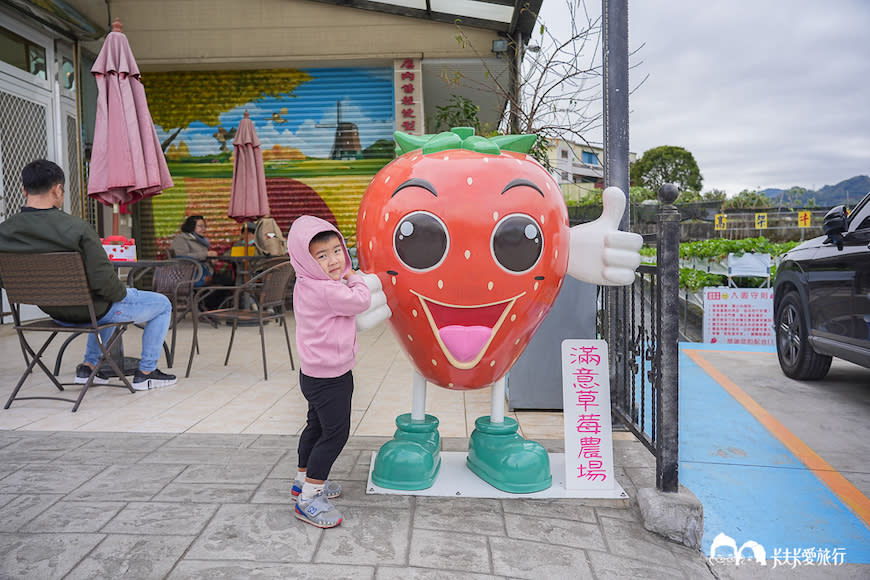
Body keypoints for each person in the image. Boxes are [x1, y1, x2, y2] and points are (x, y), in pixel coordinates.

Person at [0, 159, 177, 390]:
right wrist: (123, 293)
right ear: (57, 189)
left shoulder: (4, 232)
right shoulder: (77, 228)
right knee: (160, 303)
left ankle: (89, 366)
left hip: (53, 311)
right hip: (92, 310)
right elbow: (106, 283)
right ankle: (146, 372)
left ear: (24, 190)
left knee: (103, 303)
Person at [287, 215, 371, 528]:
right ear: (305, 260)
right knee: (334, 435)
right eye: (321, 256)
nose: (334, 260)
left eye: (337, 250)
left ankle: (302, 481)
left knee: (315, 427)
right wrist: (354, 276)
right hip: (332, 377)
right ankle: (309, 497)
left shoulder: (306, 281)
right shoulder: (327, 290)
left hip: (312, 374)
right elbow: (361, 301)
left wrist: (342, 275)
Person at [170, 215, 219, 286]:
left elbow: (199, 256)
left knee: (226, 280)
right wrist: (206, 254)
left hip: (203, 272)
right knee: (226, 282)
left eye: (205, 226)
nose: (204, 229)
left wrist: (211, 260)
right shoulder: (181, 239)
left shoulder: (200, 240)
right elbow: (181, 257)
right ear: (191, 226)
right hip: (191, 276)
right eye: (200, 226)